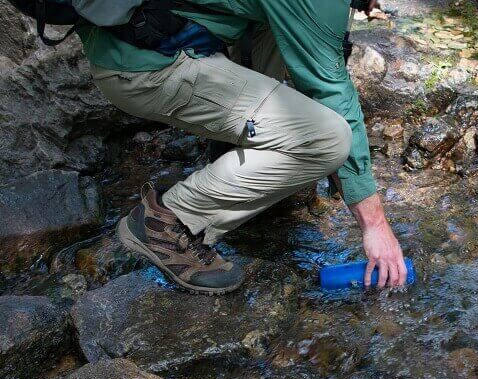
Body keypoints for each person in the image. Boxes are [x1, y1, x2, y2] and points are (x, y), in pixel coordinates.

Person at [75, 0, 408, 294]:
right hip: (143, 67)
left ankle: (236, 164)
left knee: (281, 26)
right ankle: (167, 222)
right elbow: (332, 90)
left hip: (136, 39)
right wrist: (376, 226)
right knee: (329, 139)